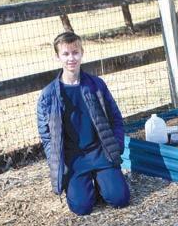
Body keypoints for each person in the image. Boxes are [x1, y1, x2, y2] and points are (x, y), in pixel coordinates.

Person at [37, 31, 130, 215]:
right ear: (57, 57)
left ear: (82, 53)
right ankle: (81, 185)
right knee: (81, 207)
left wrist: (116, 146)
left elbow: (116, 118)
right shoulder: (48, 95)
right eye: (65, 54)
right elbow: (46, 136)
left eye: (75, 52)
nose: (71, 58)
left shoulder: (96, 85)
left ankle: (104, 181)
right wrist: (59, 163)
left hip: (100, 152)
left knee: (120, 199)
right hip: (74, 158)